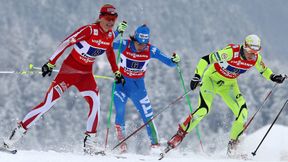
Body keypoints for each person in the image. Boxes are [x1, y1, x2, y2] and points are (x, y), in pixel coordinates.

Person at [1, 4, 128, 154]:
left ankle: (89, 145)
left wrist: (117, 72)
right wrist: (50, 62)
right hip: (68, 72)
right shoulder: (89, 30)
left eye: (113, 19)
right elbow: (66, 42)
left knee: (95, 101)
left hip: (85, 75)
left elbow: (110, 54)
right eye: (108, 18)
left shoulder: (111, 35)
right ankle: (11, 139)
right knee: (48, 103)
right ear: (100, 18)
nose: (110, 22)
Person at [166, 34, 286, 157]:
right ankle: (179, 135)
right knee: (203, 109)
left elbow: (264, 70)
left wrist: (273, 77)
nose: (252, 55)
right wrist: (197, 75)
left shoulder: (256, 58)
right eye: (250, 51)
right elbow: (205, 59)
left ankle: (233, 145)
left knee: (243, 112)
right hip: (211, 80)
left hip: (229, 85)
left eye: (256, 52)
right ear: (244, 47)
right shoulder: (230, 53)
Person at [112, 24, 181, 153]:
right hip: (120, 85)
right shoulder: (124, 44)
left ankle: (155, 145)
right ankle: (122, 146)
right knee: (120, 112)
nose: (141, 47)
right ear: (134, 40)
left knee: (148, 117)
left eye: (144, 44)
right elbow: (106, 44)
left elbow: (169, 62)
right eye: (139, 44)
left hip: (138, 88)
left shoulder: (151, 50)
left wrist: (175, 60)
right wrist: (116, 32)